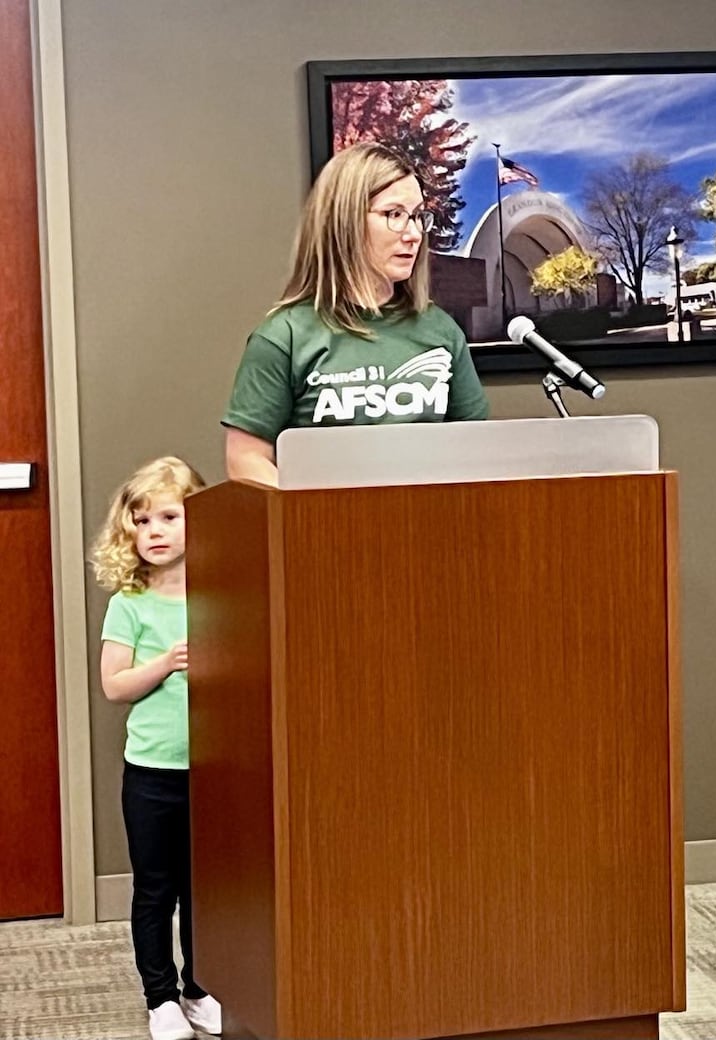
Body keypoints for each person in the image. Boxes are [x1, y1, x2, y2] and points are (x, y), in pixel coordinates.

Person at [223, 140, 489, 484]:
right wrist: (313, 518)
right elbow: (246, 460)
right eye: (394, 215)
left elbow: (477, 451)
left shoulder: (440, 329)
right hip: (323, 531)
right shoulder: (284, 336)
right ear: (344, 221)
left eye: (418, 217)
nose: (413, 235)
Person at [91, 457, 221, 1040]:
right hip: (152, 773)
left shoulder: (222, 590)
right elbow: (114, 686)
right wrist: (165, 663)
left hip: (215, 769)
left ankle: (199, 989)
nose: (156, 532)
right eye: (142, 522)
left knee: (207, 888)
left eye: (169, 516)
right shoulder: (131, 604)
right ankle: (160, 996)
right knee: (156, 886)